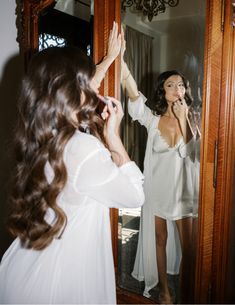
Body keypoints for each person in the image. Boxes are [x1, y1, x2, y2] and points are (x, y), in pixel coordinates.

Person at [0, 23, 145, 304]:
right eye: (87, 82)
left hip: (27, 267)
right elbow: (134, 196)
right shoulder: (84, 149)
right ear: (73, 89)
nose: (94, 87)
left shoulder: (39, 136)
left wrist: (107, 61)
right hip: (62, 280)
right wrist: (114, 138)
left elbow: (77, 89)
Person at [120, 30, 196, 304]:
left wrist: (184, 117)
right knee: (159, 240)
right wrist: (120, 57)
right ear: (162, 92)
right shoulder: (152, 121)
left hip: (182, 194)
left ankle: (188, 291)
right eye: (171, 85)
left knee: (191, 248)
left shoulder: (191, 118)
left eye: (181, 85)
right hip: (157, 191)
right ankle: (164, 290)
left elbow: (191, 152)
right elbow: (132, 93)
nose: (179, 89)